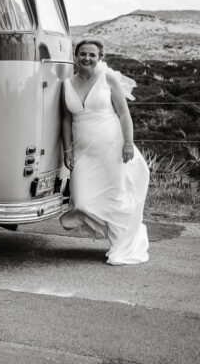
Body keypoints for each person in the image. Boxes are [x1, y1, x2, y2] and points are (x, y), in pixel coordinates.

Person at [60, 39, 149, 265]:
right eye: (82, 54)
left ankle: (121, 244)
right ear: (75, 56)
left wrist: (128, 143)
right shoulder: (66, 84)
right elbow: (66, 119)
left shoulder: (108, 79)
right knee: (81, 199)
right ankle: (111, 233)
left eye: (92, 55)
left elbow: (123, 114)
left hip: (112, 148)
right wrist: (67, 150)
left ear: (100, 58)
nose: (87, 58)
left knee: (115, 197)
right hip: (83, 151)